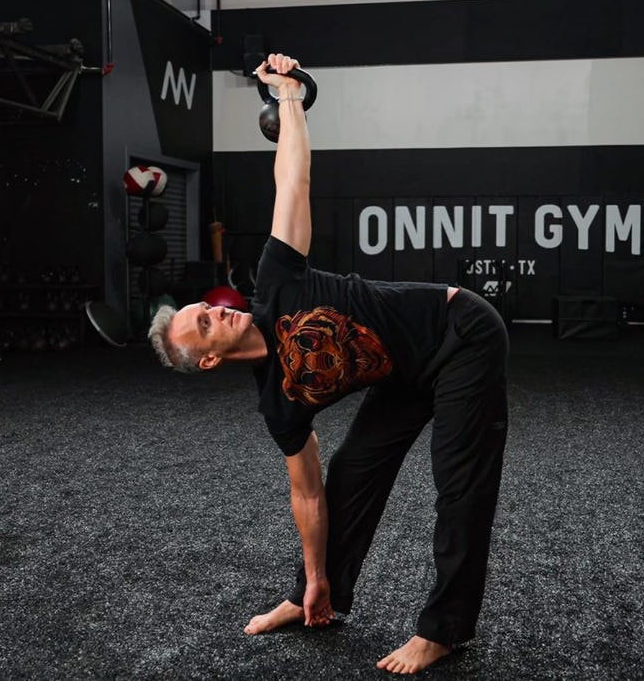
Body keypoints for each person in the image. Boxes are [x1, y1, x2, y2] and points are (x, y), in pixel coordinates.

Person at [148, 53, 509, 675]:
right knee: (350, 472)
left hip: (460, 331)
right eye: (203, 323)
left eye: (206, 305)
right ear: (207, 362)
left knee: (458, 486)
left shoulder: (276, 280)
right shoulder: (278, 403)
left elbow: (292, 182)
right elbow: (308, 494)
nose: (217, 311)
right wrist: (311, 577)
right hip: (404, 372)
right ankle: (320, 598)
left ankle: (445, 630)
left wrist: (289, 96)